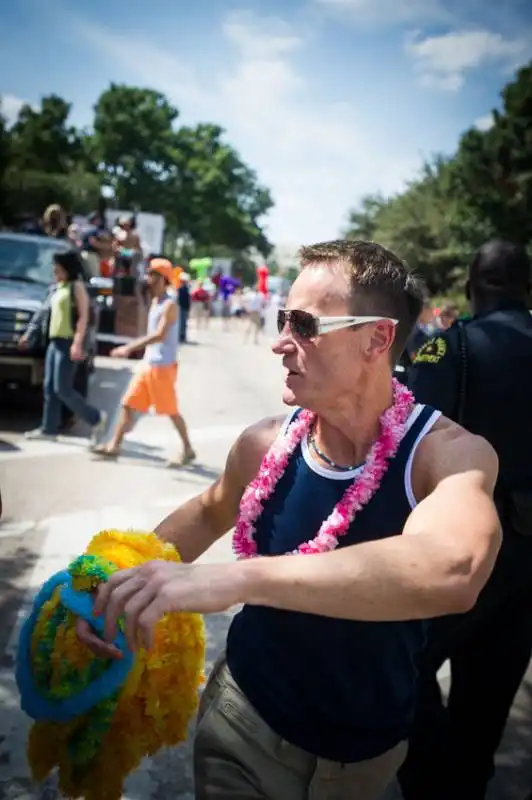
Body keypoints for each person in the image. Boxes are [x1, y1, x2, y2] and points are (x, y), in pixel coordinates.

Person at [78, 240, 501, 800]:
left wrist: (236, 579)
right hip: (243, 727)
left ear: (377, 337)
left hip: (368, 759)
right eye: (283, 319)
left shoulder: (445, 454)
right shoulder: (264, 444)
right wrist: (107, 589)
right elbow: (207, 512)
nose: (280, 342)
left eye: (305, 325)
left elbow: (455, 567)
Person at [398, 239, 532, 800]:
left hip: (469, 540)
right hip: (531, 559)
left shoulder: (452, 347)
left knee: (404, 660)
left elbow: (404, 430)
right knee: (493, 681)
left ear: (474, 287)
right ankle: (468, 779)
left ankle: (434, 778)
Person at [93, 258, 196, 465]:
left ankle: (187, 449)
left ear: (161, 278)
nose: (147, 278)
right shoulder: (155, 302)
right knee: (128, 404)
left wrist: (128, 348)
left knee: (170, 410)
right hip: (149, 364)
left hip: (162, 366)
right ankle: (114, 445)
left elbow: (159, 335)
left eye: (151, 274)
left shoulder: (170, 305)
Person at [21, 250, 107, 442]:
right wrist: (29, 335)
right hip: (54, 341)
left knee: (63, 389)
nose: (54, 269)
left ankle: (96, 418)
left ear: (67, 267)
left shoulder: (76, 287)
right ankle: (48, 429)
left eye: (57, 266)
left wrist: (77, 343)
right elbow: (42, 314)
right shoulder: (55, 288)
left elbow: (84, 317)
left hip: (68, 342)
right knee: (50, 387)